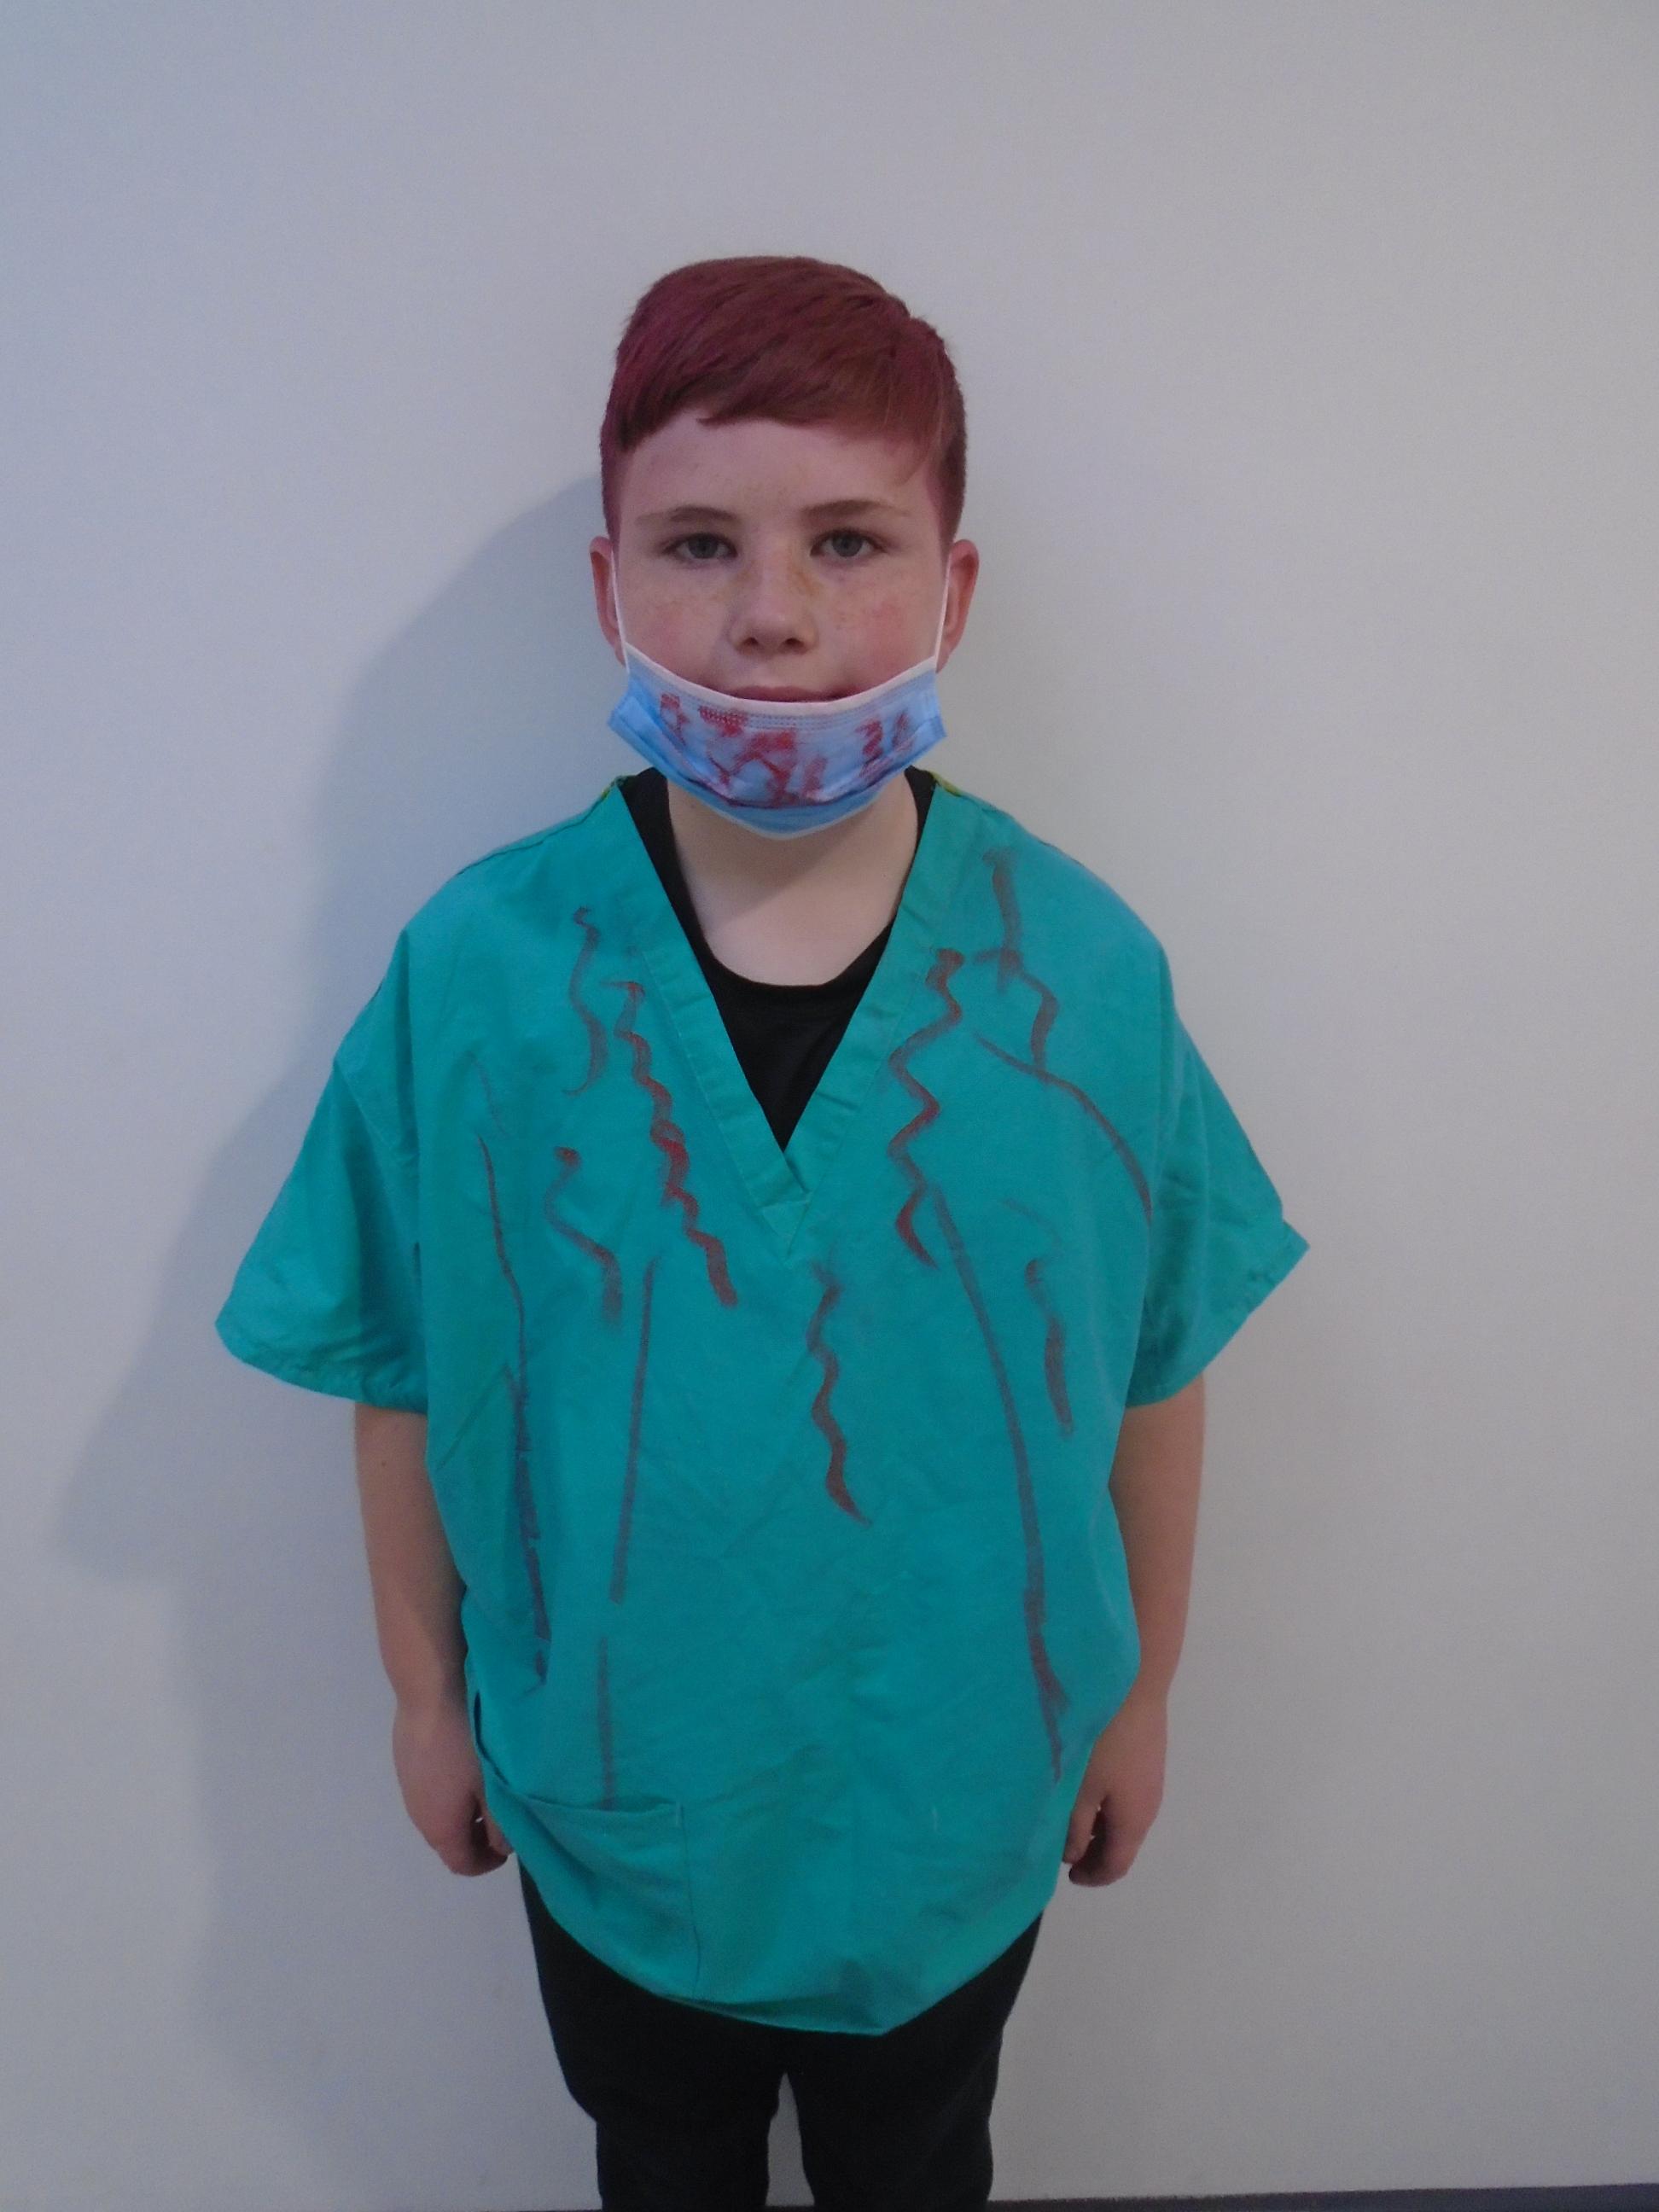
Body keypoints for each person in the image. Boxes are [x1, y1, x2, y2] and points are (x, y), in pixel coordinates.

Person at [215, 253, 1309, 2211]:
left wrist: (1143, 1690)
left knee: (918, 2166)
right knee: (663, 2160)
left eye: (849, 541)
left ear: (953, 586)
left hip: (960, 1798)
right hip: (616, 1796)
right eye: (699, 542)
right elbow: (404, 1365)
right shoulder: (480, 977)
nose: (773, 614)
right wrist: (426, 1695)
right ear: (609, 582)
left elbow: (1156, 1361)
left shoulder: (1084, 979)